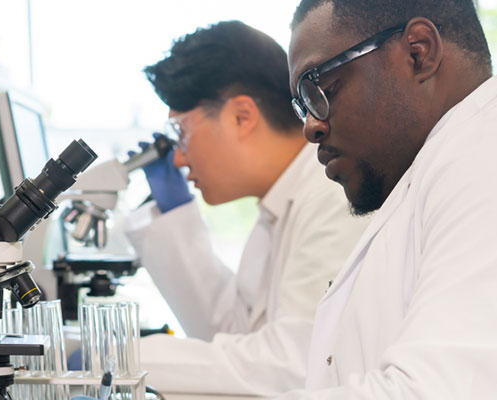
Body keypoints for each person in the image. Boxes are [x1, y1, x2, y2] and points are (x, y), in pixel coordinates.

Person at [279, 0, 497, 398]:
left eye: (319, 89)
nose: (311, 127)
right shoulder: (435, 179)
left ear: (418, 52)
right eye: (302, 106)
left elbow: (442, 390)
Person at [124, 20, 369, 395]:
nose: (177, 159)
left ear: (242, 116)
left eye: (182, 133)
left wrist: (122, 358)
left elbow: (293, 364)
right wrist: (174, 215)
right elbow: (231, 332)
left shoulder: (331, 197)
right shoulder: (278, 204)